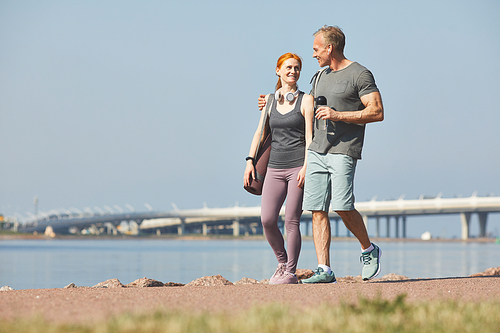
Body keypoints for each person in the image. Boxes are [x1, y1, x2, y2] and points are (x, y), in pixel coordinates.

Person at [258, 26, 384, 283]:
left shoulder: (360, 74)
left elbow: (377, 111)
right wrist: (273, 99)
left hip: (343, 150)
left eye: (316, 49)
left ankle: (368, 249)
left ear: (330, 48)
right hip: (316, 150)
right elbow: (302, 101)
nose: (313, 54)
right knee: (317, 209)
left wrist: (338, 115)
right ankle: (324, 269)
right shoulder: (319, 76)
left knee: (342, 206)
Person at [244, 53, 314, 284]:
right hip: (274, 167)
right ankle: (281, 263)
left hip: (297, 168)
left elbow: (311, 139)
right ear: (278, 70)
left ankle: (291, 272)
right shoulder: (270, 100)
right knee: (267, 220)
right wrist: (249, 161)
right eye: (288, 67)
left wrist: (306, 166)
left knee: (292, 220)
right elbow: (259, 132)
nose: (293, 72)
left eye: (297, 68)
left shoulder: (306, 100)